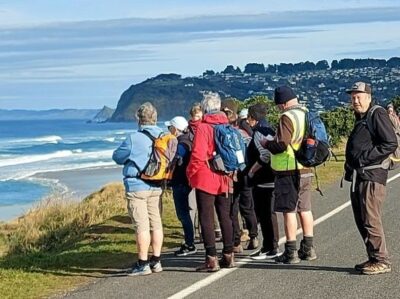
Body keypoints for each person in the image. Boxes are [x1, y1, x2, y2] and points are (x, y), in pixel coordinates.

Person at [344, 82, 397, 275]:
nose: (355, 100)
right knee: (361, 219)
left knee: (370, 218)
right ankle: (373, 257)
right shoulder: (362, 117)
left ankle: (382, 260)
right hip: (360, 175)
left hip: (372, 175)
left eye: (359, 96)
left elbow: (390, 143)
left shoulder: (377, 114)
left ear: (368, 97)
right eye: (352, 97)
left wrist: (363, 158)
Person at [262, 86, 316, 264]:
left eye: (278, 105)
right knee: (305, 209)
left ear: (283, 103)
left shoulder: (287, 117)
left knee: (289, 211)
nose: (278, 109)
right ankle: (308, 248)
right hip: (306, 167)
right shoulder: (306, 113)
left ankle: (290, 251)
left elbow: (282, 144)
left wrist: (267, 144)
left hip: (288, 169)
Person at [112, 102, 165, 276]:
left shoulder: (134, 138)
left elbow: (118, 157)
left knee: (142, 225)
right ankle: (156, 261)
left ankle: (143, 264)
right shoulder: (164, 136)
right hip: (157, 184)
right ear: (155, 118)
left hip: (137, 185)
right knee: (156, 223)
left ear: (139, 119)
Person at [187, 92, 235, 271]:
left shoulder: (203, 127)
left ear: (205, 108)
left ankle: (211, 258)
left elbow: (198, 155)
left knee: (206, 217)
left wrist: (190, 174)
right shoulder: (228, 125)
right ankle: (229, 255)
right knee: (226, 216)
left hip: (206, 176)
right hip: (225, 176)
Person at [220, 99, 259, 253]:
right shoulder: (246, 129)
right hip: (247, 171)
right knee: (246, 207)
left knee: (233, 208)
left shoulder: (229, 131)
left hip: (234, 172)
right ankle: (253, 235)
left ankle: (237, 241)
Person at [245, 103, 282, 260]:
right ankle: (269, 245)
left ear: (252, 118)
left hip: (265, 178)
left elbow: (265, 154)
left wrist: (252, 170)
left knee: (267, 212)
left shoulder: (260, 132)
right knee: (266, 212)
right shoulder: (269, 128)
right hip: (270, 176)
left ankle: (271, 247)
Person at [166, 116, 197, 256]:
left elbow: (175, 158)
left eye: (169, 127)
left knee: (183, 213)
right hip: (188, 180)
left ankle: (189, 243)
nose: (168, 130)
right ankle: (190, 241)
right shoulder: (189, 139)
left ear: (175, 129)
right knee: (185, 213)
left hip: (181, 181)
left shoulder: (181, 144)